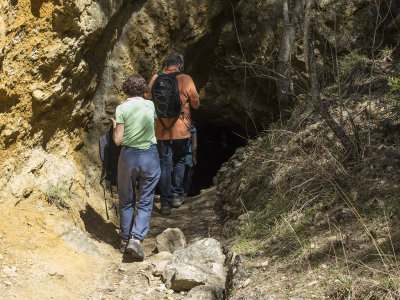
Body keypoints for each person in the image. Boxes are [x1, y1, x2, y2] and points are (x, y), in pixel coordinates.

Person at [111, 74, 160, 260]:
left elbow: (117, 140)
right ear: (143, 90)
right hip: (150, 156)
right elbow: (152, 126)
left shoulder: (121, 108)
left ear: (126, 90)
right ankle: (136, 239)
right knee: (146, 200)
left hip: (128, 157)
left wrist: (116, 125)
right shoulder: (150, 105)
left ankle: (124, 239)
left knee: (126, 198)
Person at [149, 53, 200, 215]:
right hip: (181, 130)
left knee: (164, 164)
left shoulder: (156, 78)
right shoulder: (186, 79)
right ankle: (177, 195)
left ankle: (165, 201)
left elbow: (147, 98)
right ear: (180, 65)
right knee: (178, 162)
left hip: (160, 130)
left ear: (166, 65)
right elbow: (196, 104)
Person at [182, 124, 197, 195]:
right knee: (187, 177)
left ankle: (175, 193)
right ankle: (185, 193)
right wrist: (193, 156)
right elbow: (194, 145)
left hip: (175, 156)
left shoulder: (173, 125)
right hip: (188, 156)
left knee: (176, 175)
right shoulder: (191, 127)